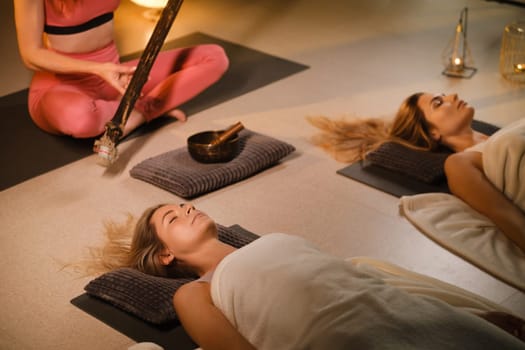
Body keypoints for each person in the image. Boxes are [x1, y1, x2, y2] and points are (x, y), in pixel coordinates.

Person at [87, 203, 525, 349]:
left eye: (182, 204)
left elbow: (358, 284)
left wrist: (473, 317)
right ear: (164, 254)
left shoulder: (274, 240)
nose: (185, 207)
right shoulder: (194, 293)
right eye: (171, 216)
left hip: (408, 317)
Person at [308, 92, 525, 252]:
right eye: (438, 103)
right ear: (433, 132)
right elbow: (503, 214)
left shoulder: (503, 134)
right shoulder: (459, 164)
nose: (453, 95)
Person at [14, 0, 229, 138]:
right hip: (61, 87)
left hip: (115, 77)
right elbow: (31, 55)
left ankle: (137, 111)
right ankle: (139, 108)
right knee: (80, 118)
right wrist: (98, 69)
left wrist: (107, 72)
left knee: (213, 58)